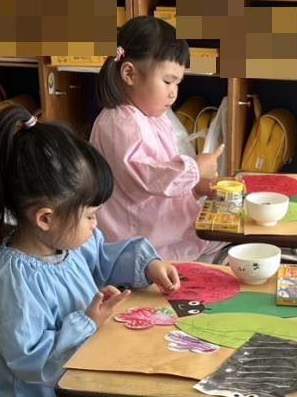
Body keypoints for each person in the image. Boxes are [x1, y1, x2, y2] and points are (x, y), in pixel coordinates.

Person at [0, 108, 180, 397]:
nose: (96, 225)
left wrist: (147, 265)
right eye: (90, 216)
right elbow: (31, 361)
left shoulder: (66, 243)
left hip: (81, 387)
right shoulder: (14, 278)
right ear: (45, 218)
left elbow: (104, 259)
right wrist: (87, 323)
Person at [89, 16, 222, 263]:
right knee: (225, 252)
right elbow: (148, 179)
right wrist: (195, 168)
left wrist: (195, 188)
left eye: (178, 83)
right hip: (141, 246)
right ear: (129, 73)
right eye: (167, 81)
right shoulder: (122, 124)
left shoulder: (150, 117)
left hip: (160, 231)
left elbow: (161, 182)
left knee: (230, 235)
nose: (173, 93)